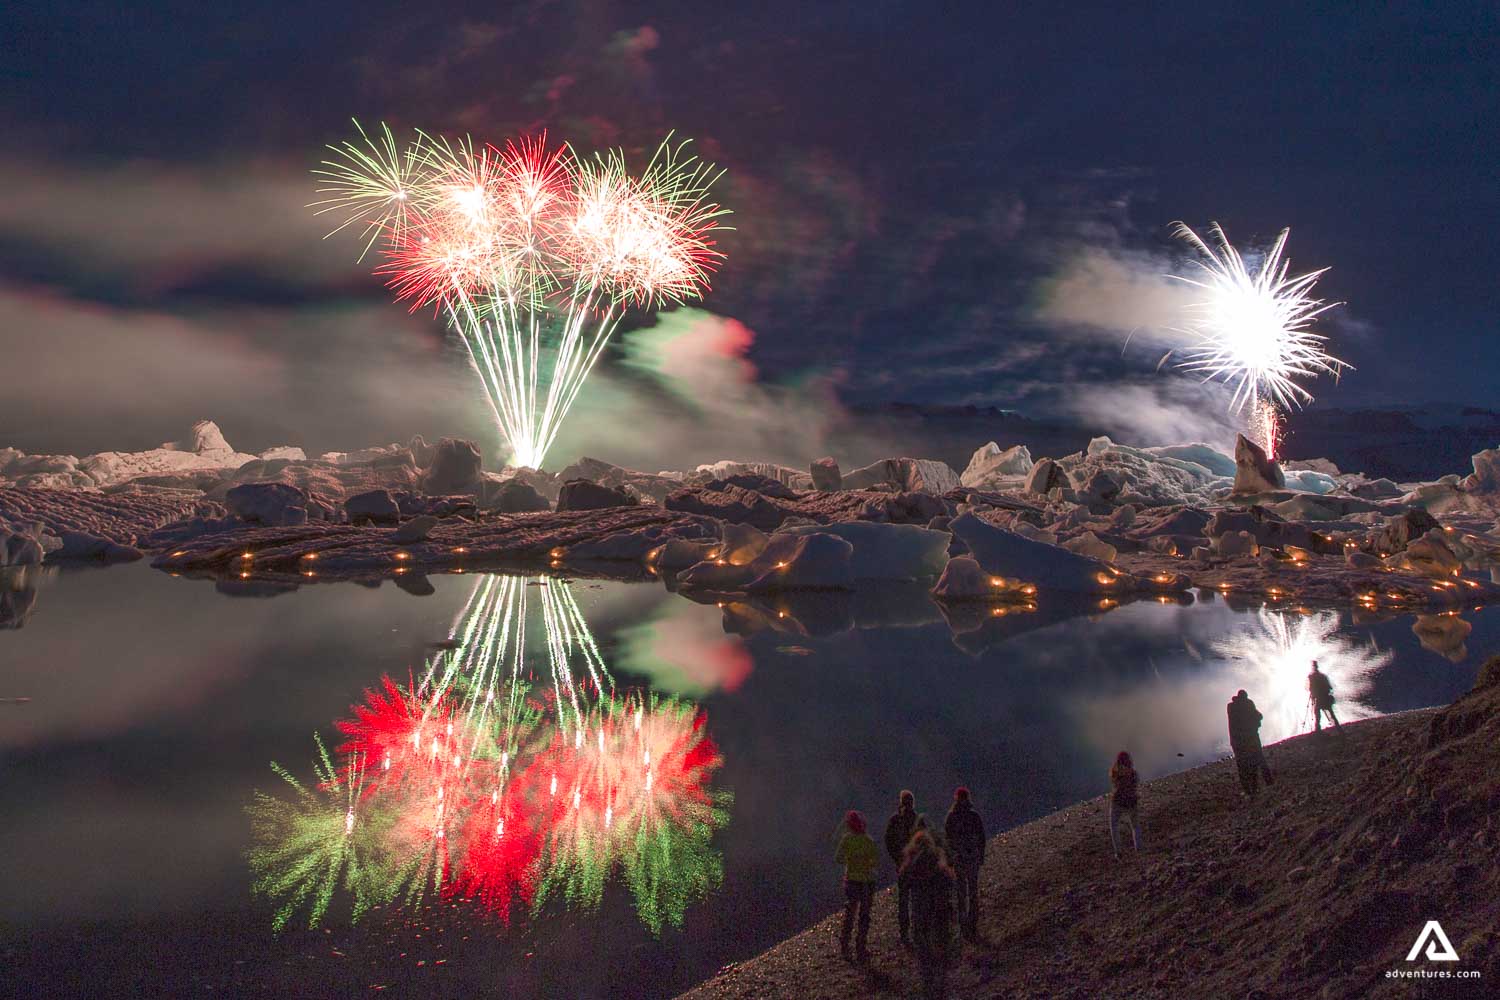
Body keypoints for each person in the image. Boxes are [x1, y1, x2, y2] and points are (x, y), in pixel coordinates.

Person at [901, 829, 956, 1000]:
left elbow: (904, 881)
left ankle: (927, 973)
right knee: (939, 935)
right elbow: (948, 878)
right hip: (937, 902)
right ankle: (940, 972)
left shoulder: (911, 860)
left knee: (920, 935)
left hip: (919, 904)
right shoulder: (936, 855)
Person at [835, 809, 879, 962]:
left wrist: (851, 860)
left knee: (850, 914)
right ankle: (861, 947)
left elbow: (838, 858)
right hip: (867, 881)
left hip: (851, 881)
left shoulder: (847, 840)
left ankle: (845, 946)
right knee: (864, 915)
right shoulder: (868, 841)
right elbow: (874, 862)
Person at [943, 787, 985, 940]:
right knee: (972, 892)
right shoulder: (973, 816)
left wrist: (950, 859)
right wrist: (980, 855)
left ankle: (964, 926)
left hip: (960, 859)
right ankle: (971, 924)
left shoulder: (952, 816)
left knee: (962, 893)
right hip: (971, 858)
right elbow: (981, 837)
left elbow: (947, 839)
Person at [884, 790, 920, 945]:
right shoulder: (917, 819)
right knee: (917, 899)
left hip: (902, 865)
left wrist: (897, 859)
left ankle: (904, 933)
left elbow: (888, 841)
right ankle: (918, 931)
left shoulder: (895, 819)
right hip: (916, 866)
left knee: (903, 900)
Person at [1227, 689, 1274, 797]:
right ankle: (1266, 782)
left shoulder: (1231, 707)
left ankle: (1248, 789)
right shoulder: (1248, 704)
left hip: (1236, 741)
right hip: (1251, 738)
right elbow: (1259, 716)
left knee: (1242, 765)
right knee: (1258, 760)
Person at [1108, 751, 1142, 858]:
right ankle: (1139, 848)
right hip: (1131, 801)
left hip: (1118, 801)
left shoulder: (1115, 772)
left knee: (1114, 825)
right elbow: (1135, 784)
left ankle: (1118, 851)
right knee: (1135, 826)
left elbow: (1114, 783)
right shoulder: (1133, 773)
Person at [1308, 660, 1342, 733]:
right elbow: (1329, 687)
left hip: (1319, 698)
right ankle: (1338, 727)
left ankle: (1318, 729)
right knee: (1330, 713)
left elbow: (1311, 688)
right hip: (1325, 697)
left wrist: (1313, 695)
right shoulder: (1322, 676)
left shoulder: (1312, 677)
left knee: (1317, 714)